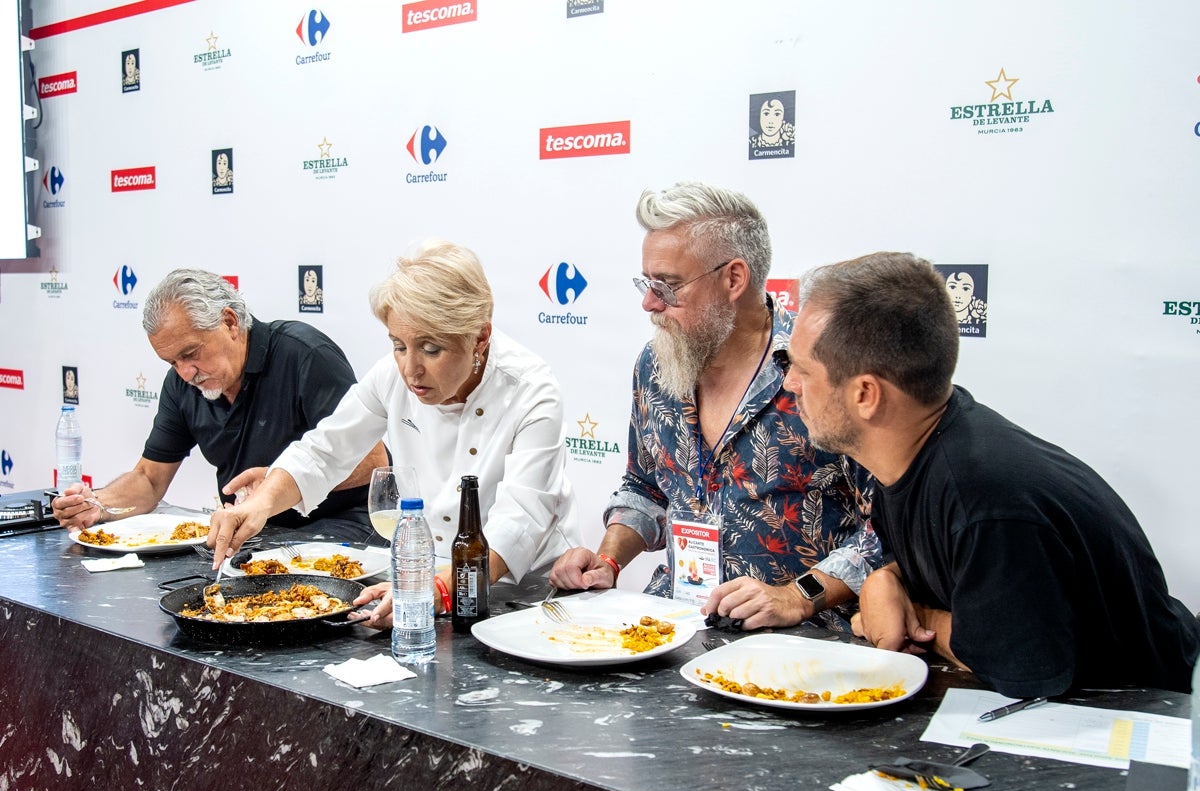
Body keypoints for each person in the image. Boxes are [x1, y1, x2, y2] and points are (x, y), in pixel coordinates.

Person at [785, 251, 1200, 697]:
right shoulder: (919, 448)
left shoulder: (986, 499)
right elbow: (949, 560)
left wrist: (918, 617)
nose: (790, 384)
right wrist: (884, 579)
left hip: (1150, 720)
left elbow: (1021, 670)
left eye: (803, 370)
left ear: (866, 394)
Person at [549, 182, 880, 631]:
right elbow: (645, 488)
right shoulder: (655, 365)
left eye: (667, 286)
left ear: (734, 279)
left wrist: (798, 596)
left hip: (798, 647)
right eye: (647, 283)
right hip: (670, 630)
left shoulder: (822, 371)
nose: (649, 303)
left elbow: (884, 533)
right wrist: (608, 559)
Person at [206, 240, 581, 628]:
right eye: (399, 346)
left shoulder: (531, 389)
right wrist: (260, 504)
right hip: (428, 580)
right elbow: (325, 449)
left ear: (479, 338)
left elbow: (519, 519)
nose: (411, 370)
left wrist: (433, 588)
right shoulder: (392, 375)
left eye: (432, 349)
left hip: (528, 595)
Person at [50, 269, 386, 541]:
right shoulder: (182, 383)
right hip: (252, 530)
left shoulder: (304, 355)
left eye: (190, 354)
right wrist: (97, 503)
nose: (186, 373)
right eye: (172, 363)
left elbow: (373, 462)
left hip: (339, 524)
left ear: (229, 322)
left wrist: (275, 483)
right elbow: (150, 479)